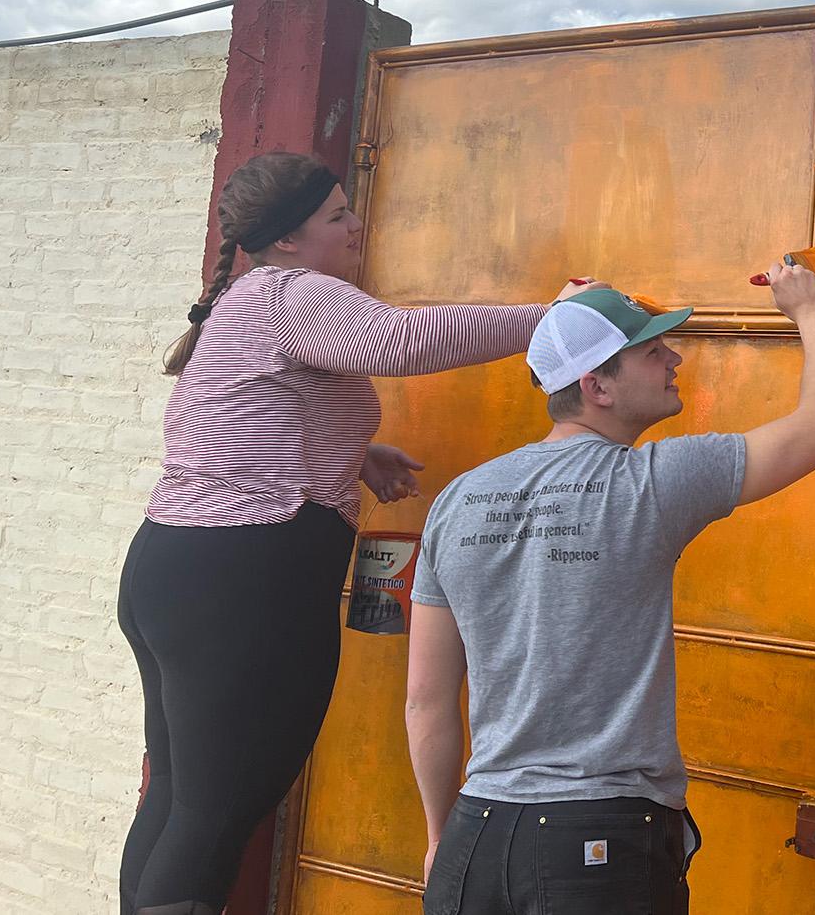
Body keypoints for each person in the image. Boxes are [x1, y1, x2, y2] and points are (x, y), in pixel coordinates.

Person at [118, 151, 597, 915]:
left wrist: (354, 454)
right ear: (286, 240)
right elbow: (399, 343)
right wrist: (555, 318)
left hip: (178, 569)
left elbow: (248, 418)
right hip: (243, 582)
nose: (355, 224)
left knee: (181, 794)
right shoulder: (291, 292)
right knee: (217, 810)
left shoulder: (251, 297)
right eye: (337, 215)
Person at [405, 263, 815, 915]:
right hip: (598, 844)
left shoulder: (456, 503)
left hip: (477, 833)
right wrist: (811, 311)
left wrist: (440, 840)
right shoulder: (651, 482)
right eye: (651, 353)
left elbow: (425, 702)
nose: (673, 358)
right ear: (597, 386)